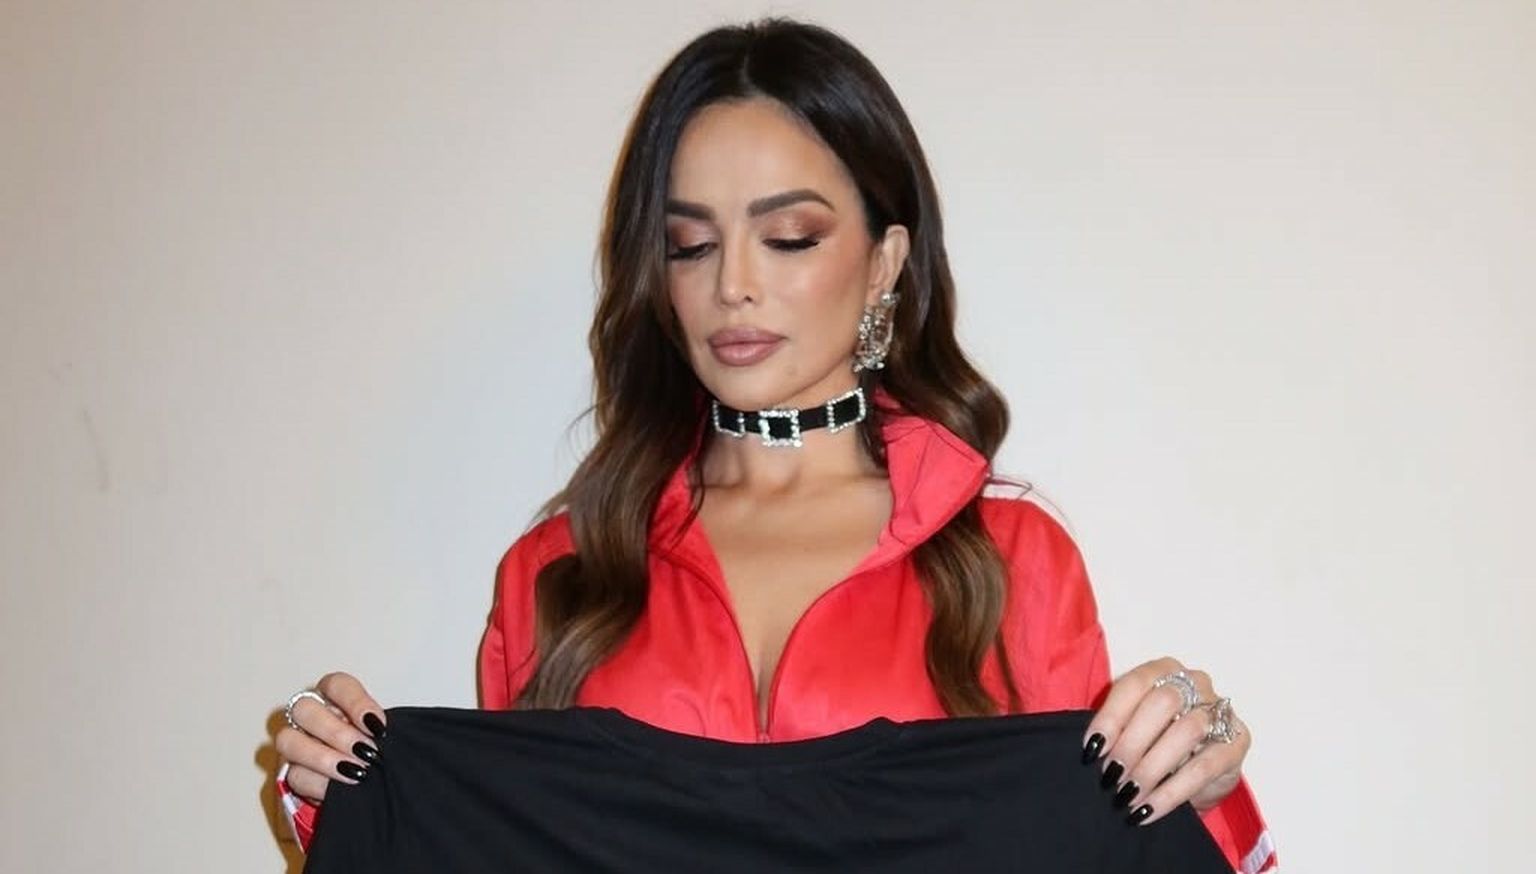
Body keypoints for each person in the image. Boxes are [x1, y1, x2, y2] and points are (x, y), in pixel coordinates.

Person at [272, 16, 1276, 873]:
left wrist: (1201, 780)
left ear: (885, 261)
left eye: (789, 236)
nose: (733, 286)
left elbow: (1096, 846)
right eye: (691, 244)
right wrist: (356, 799)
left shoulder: (1012, 561)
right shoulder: (557, 574)